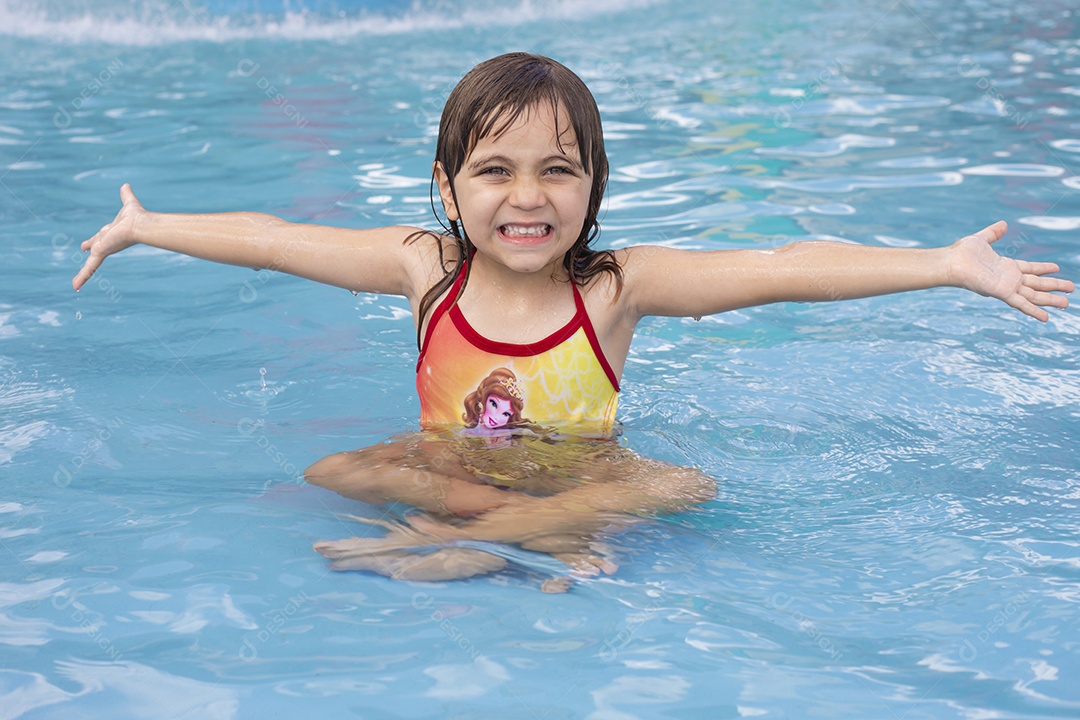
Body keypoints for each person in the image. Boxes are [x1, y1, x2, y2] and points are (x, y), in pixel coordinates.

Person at [73, 53, 1073, 591]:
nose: (527, 196)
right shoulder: (422, 270)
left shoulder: (614, 289)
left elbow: (781, 269)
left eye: (559, 168)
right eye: (494, 170)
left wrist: (945, 265)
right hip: (457, 468)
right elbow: (271, 236)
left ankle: (498, 541)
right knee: (330, 473)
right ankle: (533, 539)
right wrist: (148, 225)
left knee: (681, 484)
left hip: (578, 469)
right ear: (447, 187)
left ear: (592, 188)